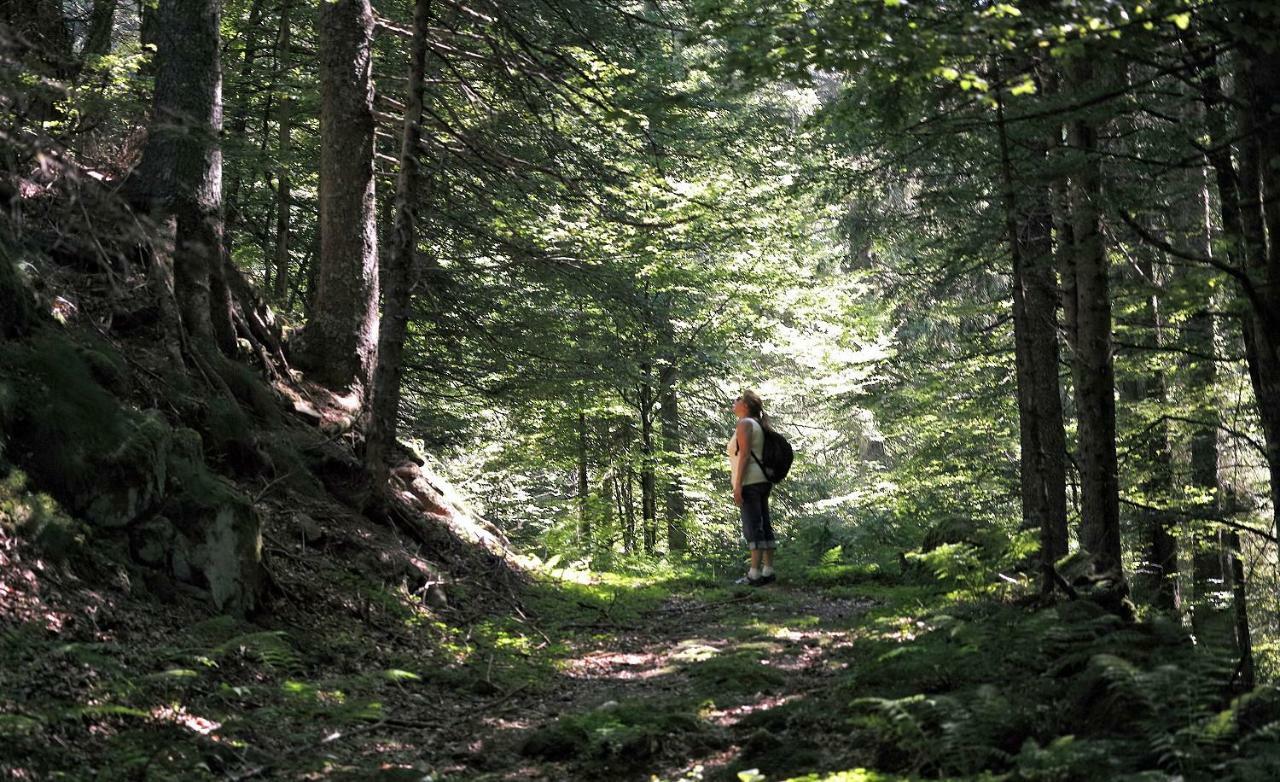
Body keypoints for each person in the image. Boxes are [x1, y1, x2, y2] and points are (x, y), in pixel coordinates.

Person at [728, 390, 776, 585]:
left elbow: (745, 456)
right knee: (763, 524)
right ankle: (768, 571)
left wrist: (738, 485)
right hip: (762, 481)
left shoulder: (745, 424)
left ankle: (754, 574)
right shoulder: (757, 424)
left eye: (738, 399)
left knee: (752, 526)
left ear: (745, 406)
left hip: (750, 482)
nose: (734, 401)